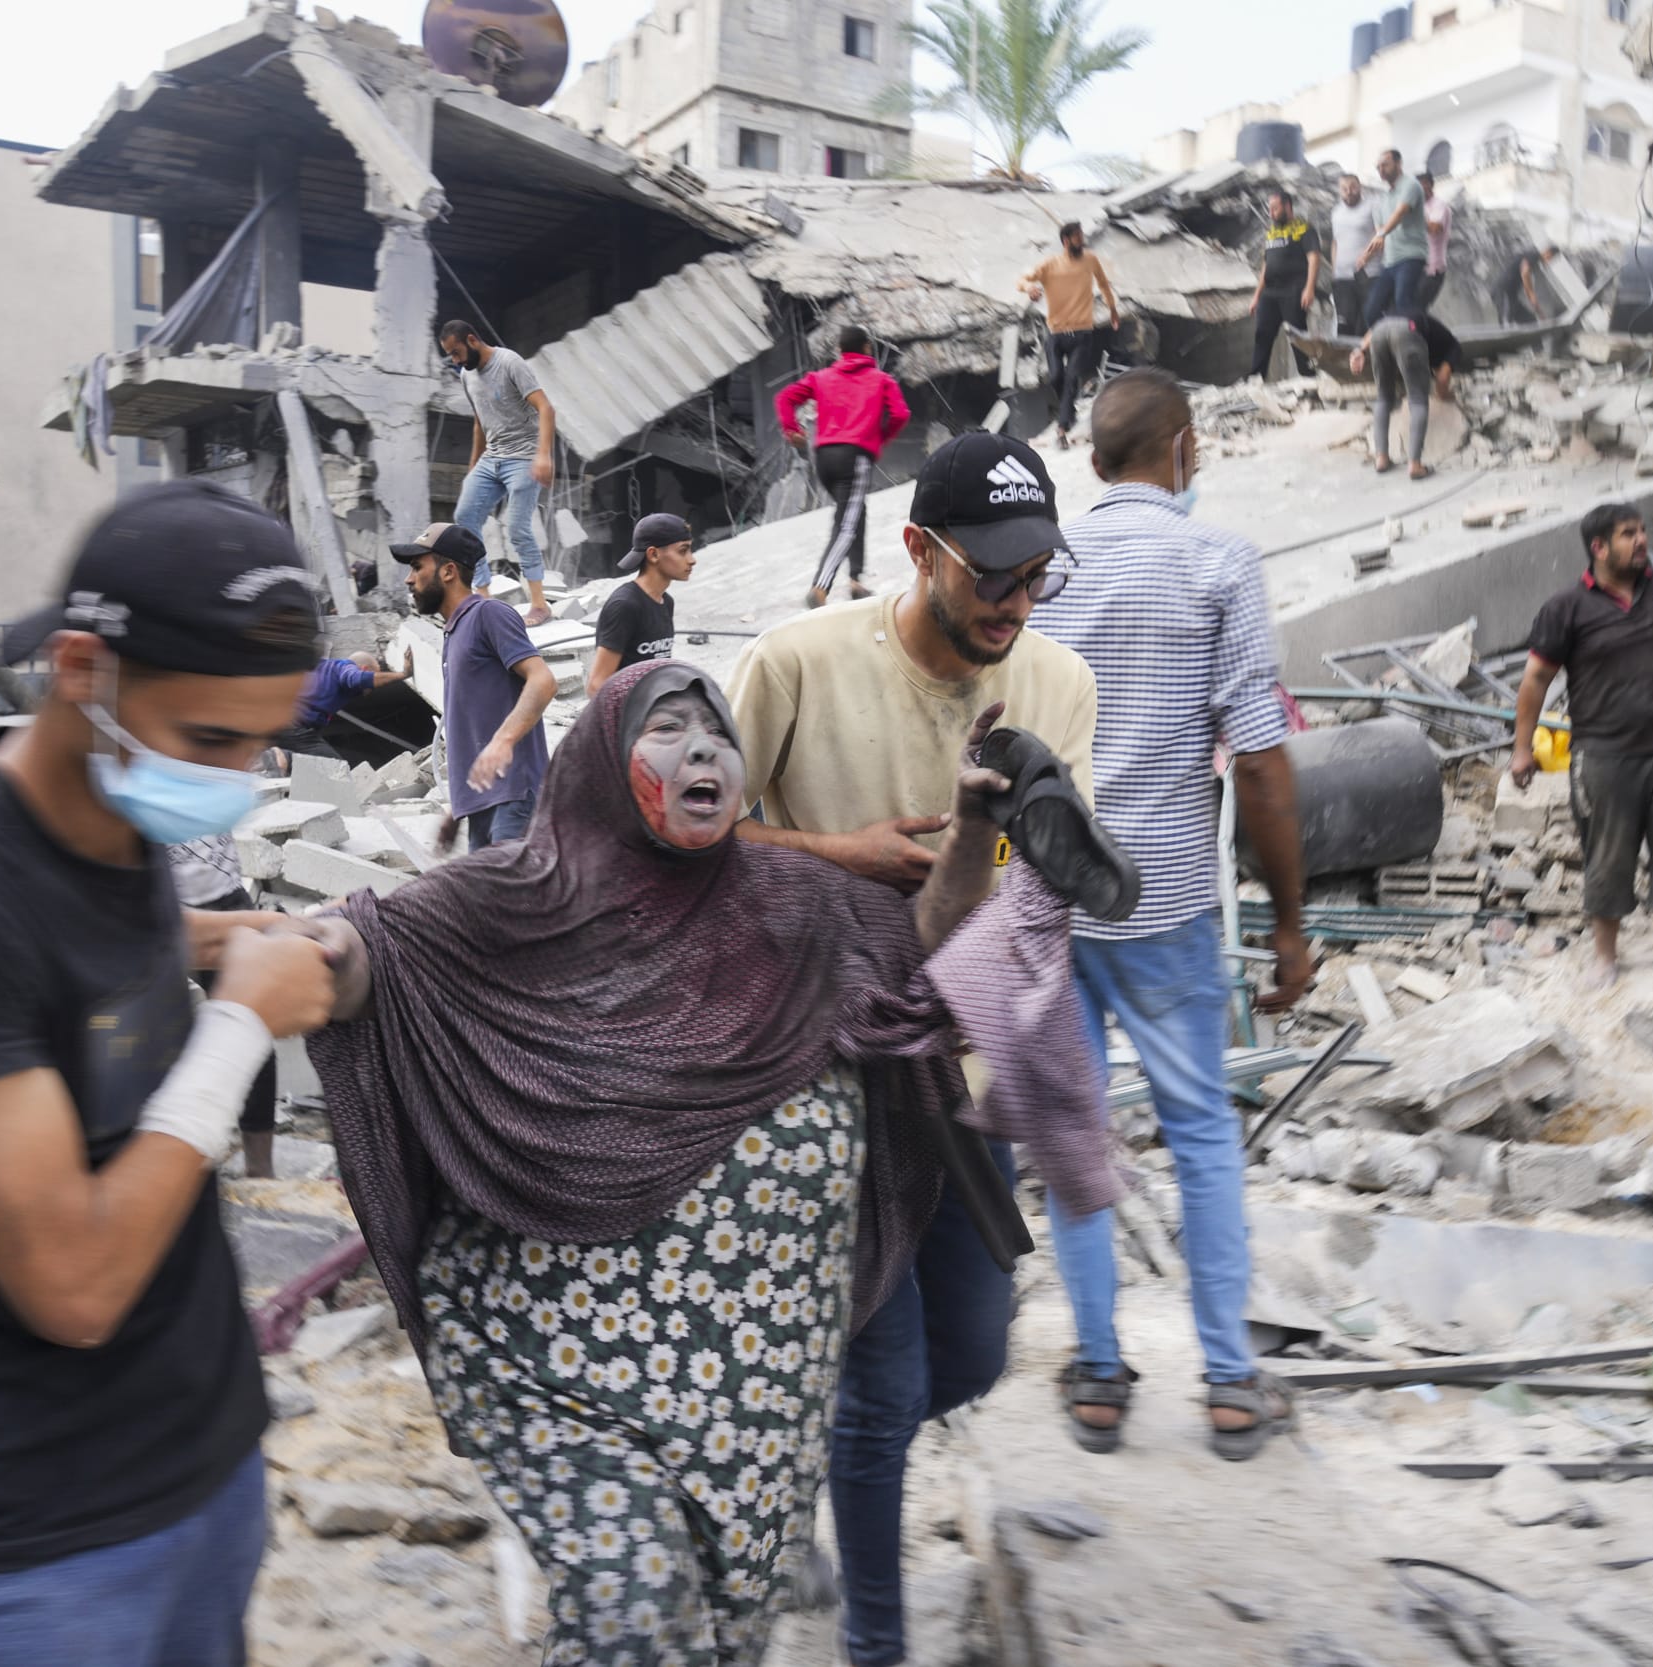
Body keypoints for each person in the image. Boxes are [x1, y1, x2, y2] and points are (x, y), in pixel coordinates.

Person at [303, 660, 1116, 1667]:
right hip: (557, 1359)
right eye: (667, 727)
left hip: (756, 1378)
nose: (703, 748)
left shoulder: (798, 899)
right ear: (602, 763)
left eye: (717, 731)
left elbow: (917, 962)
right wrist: (293, 958)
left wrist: (967, 834)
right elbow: (364, 956)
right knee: (636, 1610)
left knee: (723, 1632)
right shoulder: (511, 896)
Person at [0, 481, 340, 1665]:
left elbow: (105, 968)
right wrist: (240, 1028)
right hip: (33, 1548)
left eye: (261, 740)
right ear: (79, 669)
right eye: (210, 739)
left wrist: (247, 940)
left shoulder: (115, 838)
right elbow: (74, 1282)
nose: (235, 772)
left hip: (197, 1476)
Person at [725, 433, 1097, 1667]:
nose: (1013, 599)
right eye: (990, 573)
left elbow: (1048, 886)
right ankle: (873, 1643)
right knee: (881, 1389)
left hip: (967, 1081)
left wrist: (1011, 851)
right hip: (819, 1087)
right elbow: (681, 842)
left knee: (975, 1347)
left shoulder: (1058, 682)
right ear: (918, 550)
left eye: (1036, 573)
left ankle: (805, 1454)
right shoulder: (795, 663)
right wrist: (844, 855)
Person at [1029, 369, 1315, 1462]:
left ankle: (1098, 1374)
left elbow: (1004, 745)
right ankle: (1231, 1385)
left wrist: (1010, 876)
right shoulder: (1217, 559)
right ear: (1183, 448)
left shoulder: (1044, 564)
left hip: (1049, 900)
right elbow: (1261, 760)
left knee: (1071, 1140)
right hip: (1168, 905)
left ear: (1095, 461)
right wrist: (1289, 924)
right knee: (1200, 1136)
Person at [1512, 502, 1653, 990]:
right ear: (1598, 548)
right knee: (1607, 856)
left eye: (1642, 531)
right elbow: (1535, 679)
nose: (1641, 541)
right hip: (1605, 754)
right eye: (1627, 534)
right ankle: (1604, 958)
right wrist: (1521, 749)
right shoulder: (1566, 608)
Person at [397, 520, 557, 853]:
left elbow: (543, 680)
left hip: (513, 797)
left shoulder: (488, 614)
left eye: (416, 567)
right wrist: (457, 810)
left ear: (448, 571)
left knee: (510, 903)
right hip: (482, 808)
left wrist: (503, 742)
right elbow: (475, 724)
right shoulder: (455, 632)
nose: (409, 579)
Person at [167, 834, 285, 1178]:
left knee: (254, 1033)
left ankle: (259, 1169)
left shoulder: (215, 784)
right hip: (159, 904)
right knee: (160, 1036)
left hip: (226, 897)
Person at [778, 325, 912, 610]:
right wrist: (881, 438)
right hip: (855, 457)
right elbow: (900, 413)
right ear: (867, 348)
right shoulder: (881, 380)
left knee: (855, 512)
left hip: (824, 457)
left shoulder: (821, 377)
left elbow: (785, 398)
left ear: (840, 351)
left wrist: (792, 429)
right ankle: (820, 586)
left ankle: (856, 580)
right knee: (846, 525)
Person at [441, 319, 559, 625]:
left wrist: (543, 456)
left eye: (457, 352)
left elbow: (546, 408)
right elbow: (480, 422)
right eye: (450, 356)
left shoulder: (509, 363)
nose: (455, 361)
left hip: (524, 457)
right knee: (465, 519)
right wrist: (473, 469)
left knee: (517, 528)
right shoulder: (467, 375)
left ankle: (539, 603)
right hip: (492, 458)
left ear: (472, 340)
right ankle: (482, 595)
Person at [1018, 220, 1122, 451]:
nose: (1082, 240)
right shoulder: (1050, 265)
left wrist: (1113, 309)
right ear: (1066, 241)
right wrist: (1029, 289)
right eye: (1077, 237)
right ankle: (1070, 411)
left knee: (1072, 376)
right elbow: (1022, 281)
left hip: (1083, 333)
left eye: (1081, 235)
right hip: (1056, 334)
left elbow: (1104, 285)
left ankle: (1062, 428)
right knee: (1056, 377)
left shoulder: (1091, 260)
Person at [591, 511, 696, 686]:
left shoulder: (666, 602)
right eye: (682, 551)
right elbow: (596, 685)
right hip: (629, 709)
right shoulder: (625, 605)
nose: (692, 560)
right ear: (653, 554)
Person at [1247, 187, 1322, 382]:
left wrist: (1310, 288)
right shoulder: (1271, 233)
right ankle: (1255, 379)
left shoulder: (1304, 229)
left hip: (1294, 291)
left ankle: (1309, 379)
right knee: (1262, 335)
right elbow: (1266, 265)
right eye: (1269, 209)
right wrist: (1256, 296)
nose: (1271, 213)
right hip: (1270, 294)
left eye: (1275, 208)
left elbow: (1314, 258)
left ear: (1287, 206)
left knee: (1297, 337)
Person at [1350, 316, 1435, 479]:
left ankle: (1381, 458)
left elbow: (1375, 328)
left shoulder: (1402, 311)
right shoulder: (1444, 338)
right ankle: (1415, 465)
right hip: (1407, 333)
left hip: (1379, 331)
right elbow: (1440, 370)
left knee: (1383, 397)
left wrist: (1360, 350)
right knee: (1418, 400)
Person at [281, 649, 408, 756]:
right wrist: (403, 674)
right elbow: (357, 679)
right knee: (332, 766)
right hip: (291, 725)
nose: (374, 687)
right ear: (364, 669)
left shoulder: (325, 667)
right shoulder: (345, 668)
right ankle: (278, 758)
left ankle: (277, 758)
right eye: (376, 674)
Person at [1356, 149, 1429, 329]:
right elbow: (1379, 234)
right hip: (1390, 263)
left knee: (1403, 302)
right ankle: (1387, 343)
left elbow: (1400, 213)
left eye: (1385, 165)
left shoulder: (1411, 185)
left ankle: (1420, 341)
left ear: (1398, 164)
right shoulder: (1384, 198)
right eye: (1378, 167)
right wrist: (1366, 255)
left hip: (1411, 257)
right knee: (1372, 310)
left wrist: (1381, 234)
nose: (1381, 170)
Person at [1324, 173, 1381, 336]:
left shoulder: (1372, 206)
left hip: (1368, 274)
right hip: (1342, 278)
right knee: (1344, 323)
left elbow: (1381, 235)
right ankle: (1347, 360)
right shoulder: (1336, 212)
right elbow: (1335, 242)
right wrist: (1334, 270)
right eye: (1344, 188)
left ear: (1360, 187)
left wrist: (1365, 257)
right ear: (1339, 191)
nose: (1349, 191)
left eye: (1353, 187)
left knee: (1368, 321)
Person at [1494, 242, 1562, 324]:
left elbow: (1528, 286)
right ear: (1548, 252)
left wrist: (1538, 310)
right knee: (1507, 319)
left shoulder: (1534, 261)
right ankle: (1505, 331)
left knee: (1530, 320)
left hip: (1512, 295)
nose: (1549, 261)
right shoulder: (1534, 255)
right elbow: (1525, 273)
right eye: (1551, 258)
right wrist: (1530, 293)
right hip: (1502, 291)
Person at [1417, 171, 1453, 311]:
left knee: (1417, 308)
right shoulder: (1417, 207)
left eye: (1422, 186)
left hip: (1432, 269)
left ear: (1430, 186)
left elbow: (1435, 228)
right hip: (1416, 267)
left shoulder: (1439, 205)